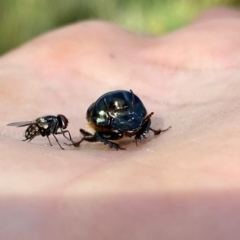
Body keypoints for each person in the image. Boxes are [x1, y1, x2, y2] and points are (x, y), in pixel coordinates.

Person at [0, 7, 240, 239]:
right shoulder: (95, 121)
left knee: (129, 127)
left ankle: (137, 131)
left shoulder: (109, 117)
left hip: (124, 111)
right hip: (115, 115)